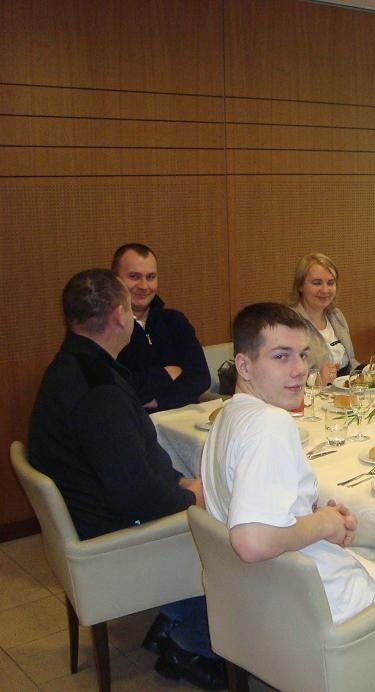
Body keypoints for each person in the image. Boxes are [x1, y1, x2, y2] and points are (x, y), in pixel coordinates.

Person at [200, 303, 375, 690]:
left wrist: (314, 518)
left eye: (302, 355)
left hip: (267, 606)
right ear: (244, 366)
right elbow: (251, 541)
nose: (299, 369)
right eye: (281, 357)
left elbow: (247, 505)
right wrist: (324, 523)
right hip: (333, 620)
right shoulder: (269, 424)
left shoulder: (227, 416)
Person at [28, 269, 224, 690]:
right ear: (120, 316)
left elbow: (130, 464)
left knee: (194, 487)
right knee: (218, 521)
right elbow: (135, 494)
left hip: (87, 514)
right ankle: (194, 645)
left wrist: (178, 482)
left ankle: (173, 620)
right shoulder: (98, 390)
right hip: (108, 536)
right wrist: (190, 498)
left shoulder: (71, 366)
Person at [112, 243, 210, 411]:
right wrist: (167, 374)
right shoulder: (107, 329)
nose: (144, 286)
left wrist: (157, 401)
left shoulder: (175, 322)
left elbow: (200, 378)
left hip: (185, 421)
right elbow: (119, 389)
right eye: (134, 276)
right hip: (135, 423)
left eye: (150, 277)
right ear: (115, 280)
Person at [288, 253, 359, 385]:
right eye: (317, 283)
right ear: (300, 286)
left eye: (330, 283)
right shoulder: (288, 322)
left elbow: (351, 363)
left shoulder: (336, 315)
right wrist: (315, 379)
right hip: (309, 395)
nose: (325, 290)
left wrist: (372, 368)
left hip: (343, 394)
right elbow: (283, 375)